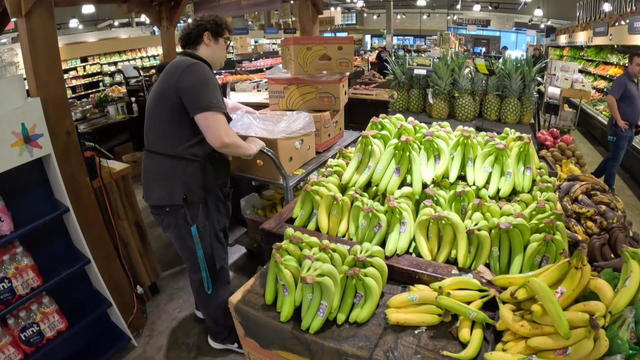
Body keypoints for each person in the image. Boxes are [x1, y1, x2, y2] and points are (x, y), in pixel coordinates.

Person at [142, 15, 265, 353]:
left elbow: (200, 105)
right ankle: (223, 333)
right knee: (210, 259)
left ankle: (204, 306)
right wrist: (251, 146)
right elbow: (222, 140)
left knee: (203, 256)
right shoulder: (195, 71)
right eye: (226, 42)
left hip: (175, 189)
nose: (229, 49)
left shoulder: (180, 68)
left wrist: (230, 104)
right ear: (208, 38)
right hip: (186, 193)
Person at [592, 53, 640, 193]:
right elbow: (610, 98)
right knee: (615, 160)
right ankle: (609, 187)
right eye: (637, 65)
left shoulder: (636, 82)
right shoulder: (622, 80)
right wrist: (618, 120)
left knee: (614, 156)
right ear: (629, 64)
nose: (639, 68)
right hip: (620, 128)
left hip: (630, 129)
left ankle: (594, 176)